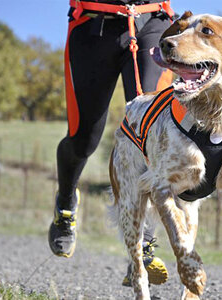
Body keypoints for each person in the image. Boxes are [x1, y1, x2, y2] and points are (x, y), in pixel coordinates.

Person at [48, 0, 174, 286]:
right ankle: (65, 203)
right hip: (93, 25)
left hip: (151, 23)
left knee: (150, 135)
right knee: (83, 140)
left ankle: (142, 245)